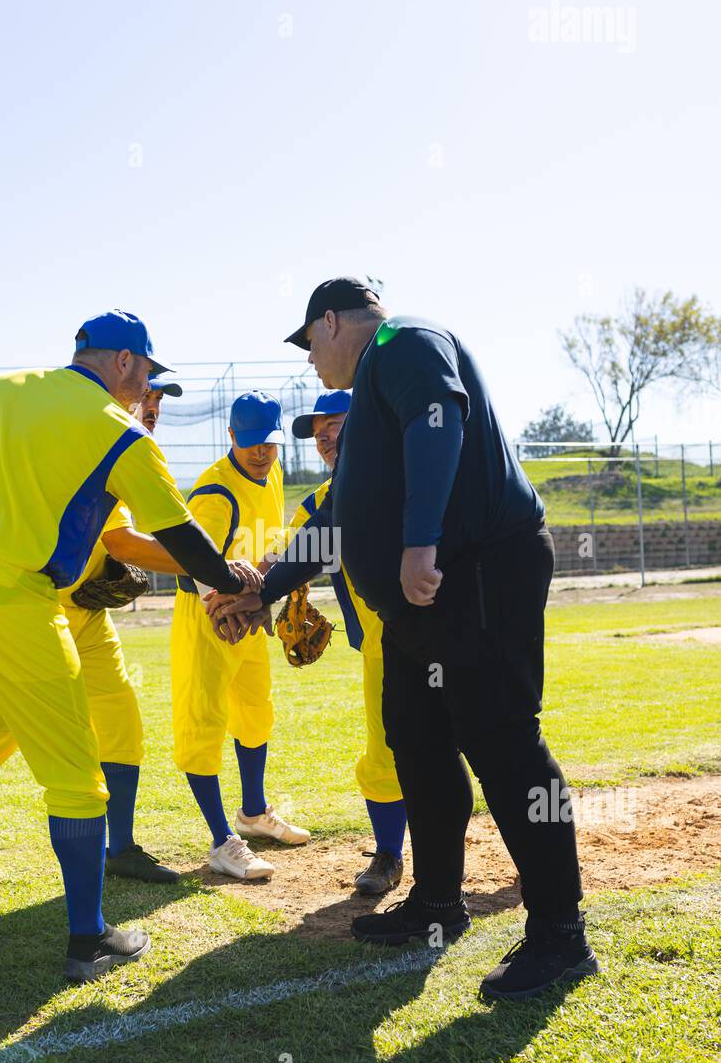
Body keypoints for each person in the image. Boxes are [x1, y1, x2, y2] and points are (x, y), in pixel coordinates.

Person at [207, 279, 598, 1002]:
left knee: (504, 743)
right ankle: (437, 905)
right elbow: (336, 523)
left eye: (310, 345)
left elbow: (438, 420)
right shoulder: (365, 416)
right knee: (416, 741)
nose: (313, 364)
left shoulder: (402, 341)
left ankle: (560, 935)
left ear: (331, 322)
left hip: (477, 568)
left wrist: (419, 542)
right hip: (424, 605)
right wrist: (263, 586)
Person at [0, 309, 260, 983]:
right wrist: (234, 577)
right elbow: (176, 534)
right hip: (10, 595)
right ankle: (87, 940)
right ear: (121, 362)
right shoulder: (117, 431)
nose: (146, 386)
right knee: (75, 777)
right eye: (145, 370)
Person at [171, 391, 310, 883]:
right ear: (231, 436)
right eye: (250, 443)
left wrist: (276, 590)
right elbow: (187, 567)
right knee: (202, 723)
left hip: (250, 618)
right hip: (209, 620)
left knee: (256, 712)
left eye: (269, 443)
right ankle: (221, 840)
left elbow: (269, 543)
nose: (260, 452)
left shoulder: (271, 474)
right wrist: (227, 599)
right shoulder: (214, 491)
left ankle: (253, 814)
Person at [287, 391, 406, 894]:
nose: (325, 437)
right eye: (318, 434)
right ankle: (388, 856)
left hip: (451, 636)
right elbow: (287, 554)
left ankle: (538, 847)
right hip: (380, 649)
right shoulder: (317, 504)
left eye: (334, 424)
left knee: (489, 741)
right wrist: (273, 592)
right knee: (384, 754)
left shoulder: (405, 476)